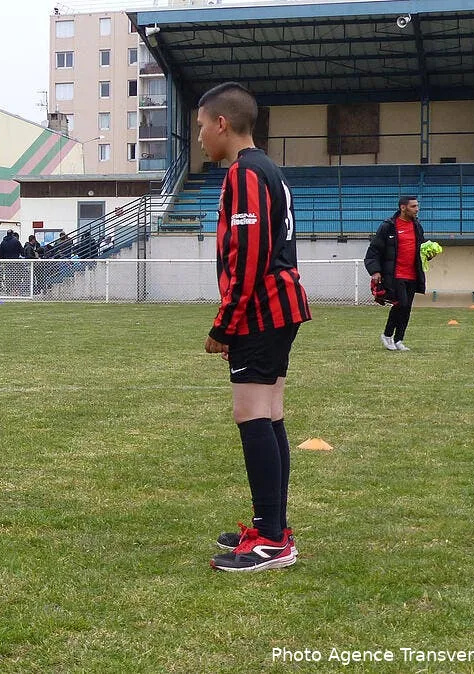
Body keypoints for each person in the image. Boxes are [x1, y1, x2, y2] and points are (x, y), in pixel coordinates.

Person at [197, 82, 311, 572]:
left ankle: (270, 542)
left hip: (263, 308)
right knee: (269, 413)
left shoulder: (244, 173)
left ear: (223, 123)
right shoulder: (268, 168)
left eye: (202, 126)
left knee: (251, 416)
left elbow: (248, 256)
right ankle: (273, 527)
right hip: (280, 306)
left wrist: (225, 324)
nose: (200, 136)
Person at [365, 196, 427, 352]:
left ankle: (399, 339)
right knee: (401, 304)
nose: (417, 209)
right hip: (395, 274)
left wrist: (428, 253)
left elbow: (421, 248)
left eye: (417, 206)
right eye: (413, 206)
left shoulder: (417, 226)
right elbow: (374, 250)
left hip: (412, 274)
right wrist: (375, 271)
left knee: (407, 308)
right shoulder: (388, 226)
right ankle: (387, 335)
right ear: (403, 207)